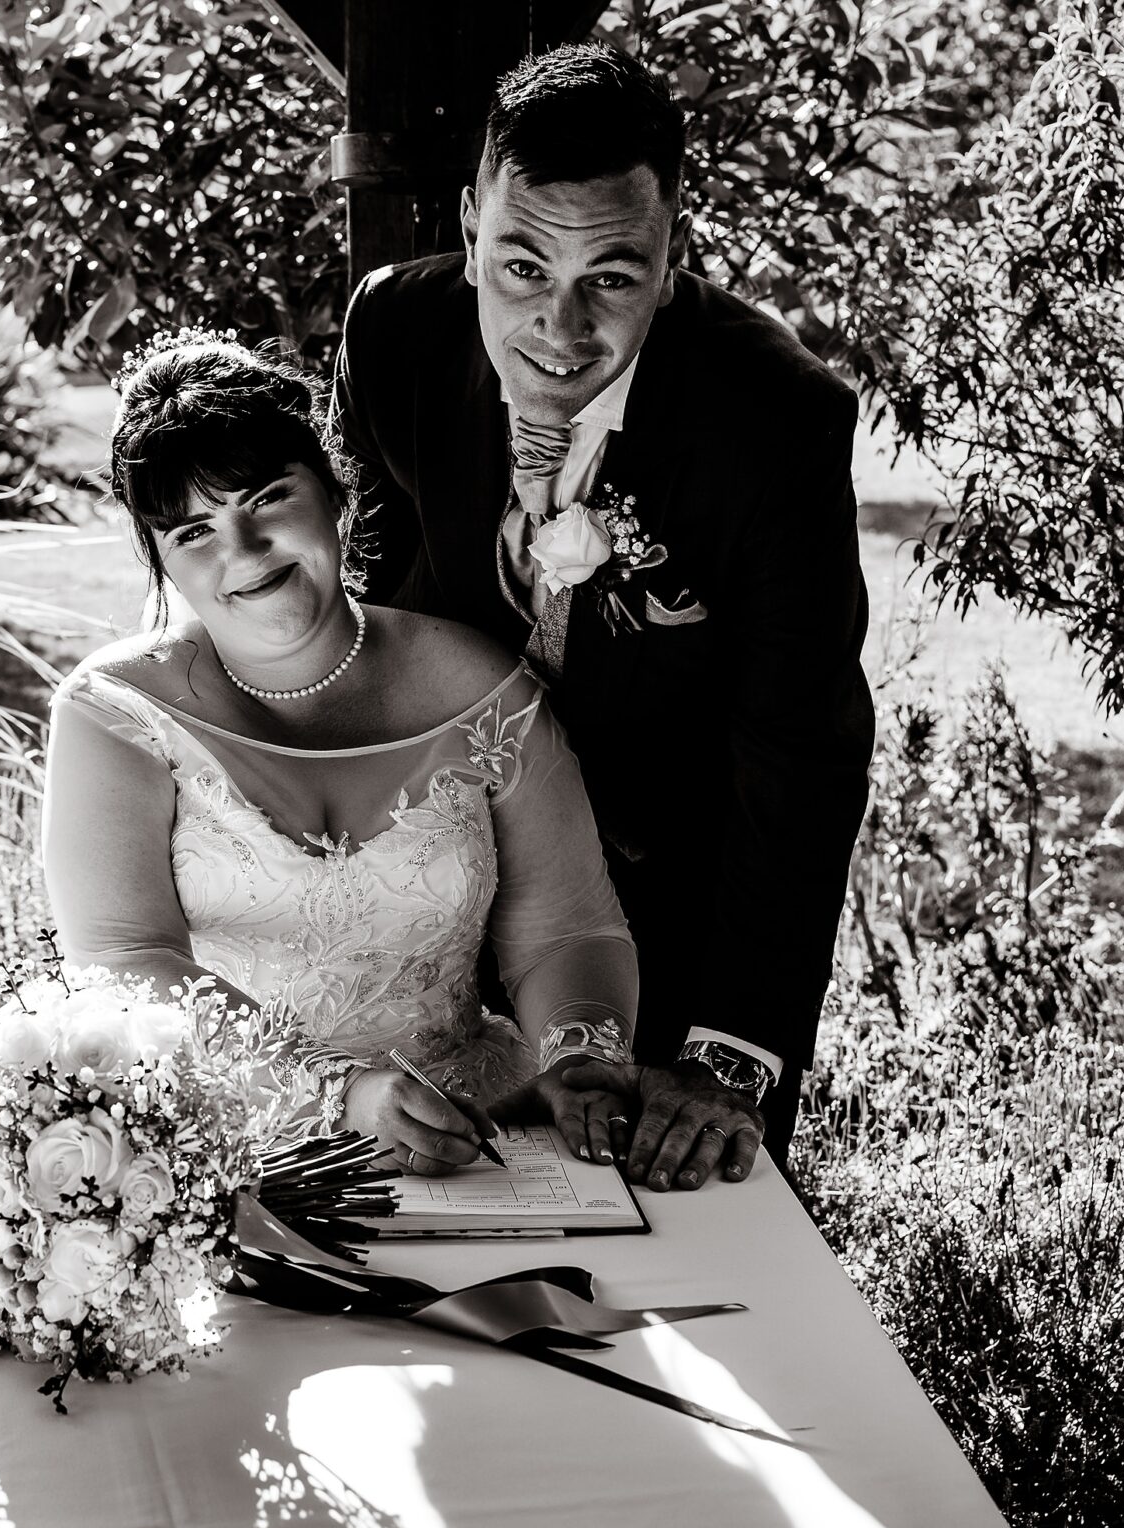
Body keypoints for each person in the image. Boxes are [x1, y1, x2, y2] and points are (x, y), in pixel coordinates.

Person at [336, 42, 875, 1192]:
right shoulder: (394, 337)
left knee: (683, 1265)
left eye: (612, 278)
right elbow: (377, 610)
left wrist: (723, 1059)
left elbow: (801, 754)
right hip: (450, 905)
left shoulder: (776, 428)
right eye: (523, 266)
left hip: (677, 925)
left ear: (672, 255)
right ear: (470, 222)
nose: (560, 329)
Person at [42, 334, 641, 1180]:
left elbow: (566, 928)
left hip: (481, 1139)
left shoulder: (482, 690)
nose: (243, 551)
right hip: (218, 1154)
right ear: (163, 560)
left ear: (335, 495)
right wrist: (337, 1092)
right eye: (194, 531)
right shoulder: (118, 715)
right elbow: (129, 962)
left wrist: (579, 1055)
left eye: (268, 498)